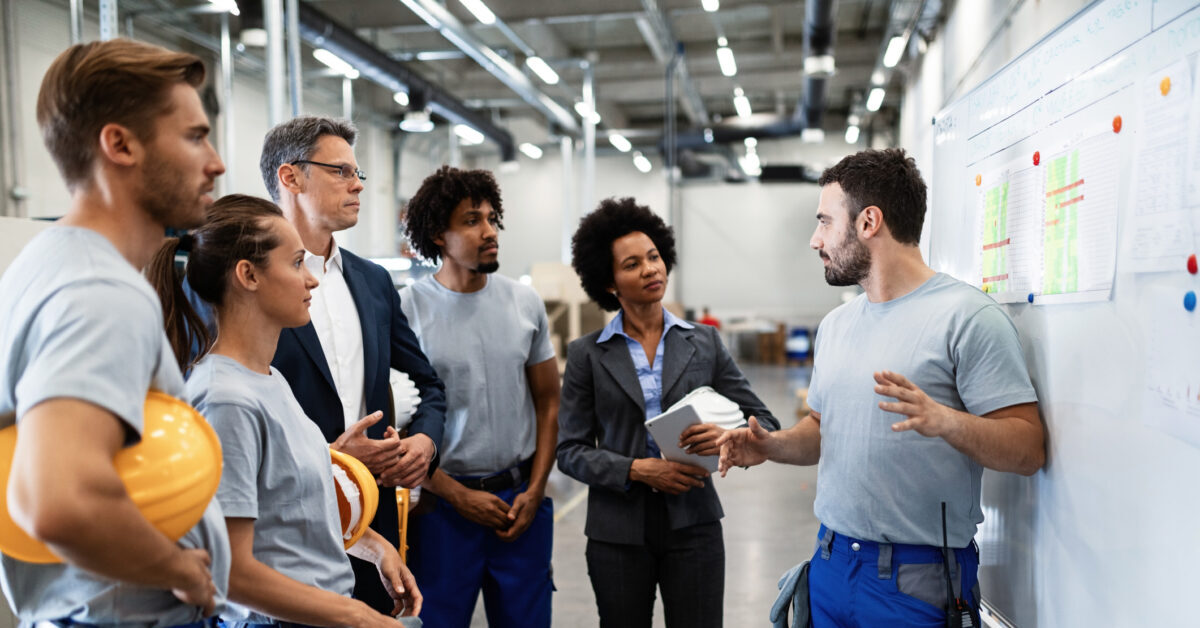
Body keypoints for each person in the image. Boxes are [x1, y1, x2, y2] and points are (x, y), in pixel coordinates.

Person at [717, 148, 1045, 628]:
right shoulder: (836, 325)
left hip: (917, 582)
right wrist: (772, 446)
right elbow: (822, 427)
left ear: (869, 222)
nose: (815, 240)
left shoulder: (968, 318)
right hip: (829, 565)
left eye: (825, 222)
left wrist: (947, 421)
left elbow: (1028, 449)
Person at [0, 39, 229, 624]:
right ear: (119, 144)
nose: (216, 161)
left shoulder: (42, 262)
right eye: (195, 136)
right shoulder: (102, 292)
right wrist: (177, 569)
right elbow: (57, 501)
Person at [147, 194, 421, 626]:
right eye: (296, 263)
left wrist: (375, 546)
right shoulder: (226, 399)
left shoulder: (270, 380)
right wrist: (357, 616)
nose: (311, 280)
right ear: (248, 275)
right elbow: (232, 572)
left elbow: (289, 512)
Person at [557, 197, 780, 628]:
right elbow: (570, 451)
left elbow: (763, 422)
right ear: (609, 283)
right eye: (633, 264)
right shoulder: (587, 355)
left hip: (694, 523)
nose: (651, 269)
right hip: (616, 531)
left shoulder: (705, 343)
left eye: (655, 257)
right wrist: (638, 469)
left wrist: (727, 437)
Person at [259, 116, 447, 612]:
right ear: (290, 177)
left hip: (373, 519)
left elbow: (430, 385)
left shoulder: (373, 283)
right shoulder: (249, 282)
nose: (359, 184)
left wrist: (424, 442)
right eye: (340, 171)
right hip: (284, 526)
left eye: (357, 171)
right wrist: (329, 458)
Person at [398, 166, 559, 627]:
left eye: (491, 218)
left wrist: (536, 489)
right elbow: (401, 419)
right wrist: (452, 493)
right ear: (437, 235)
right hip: (441, 511)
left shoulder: (523, 303)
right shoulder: (407, 310)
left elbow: (549, 402)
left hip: (520, 507)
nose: (490, 232)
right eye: (472, 220)